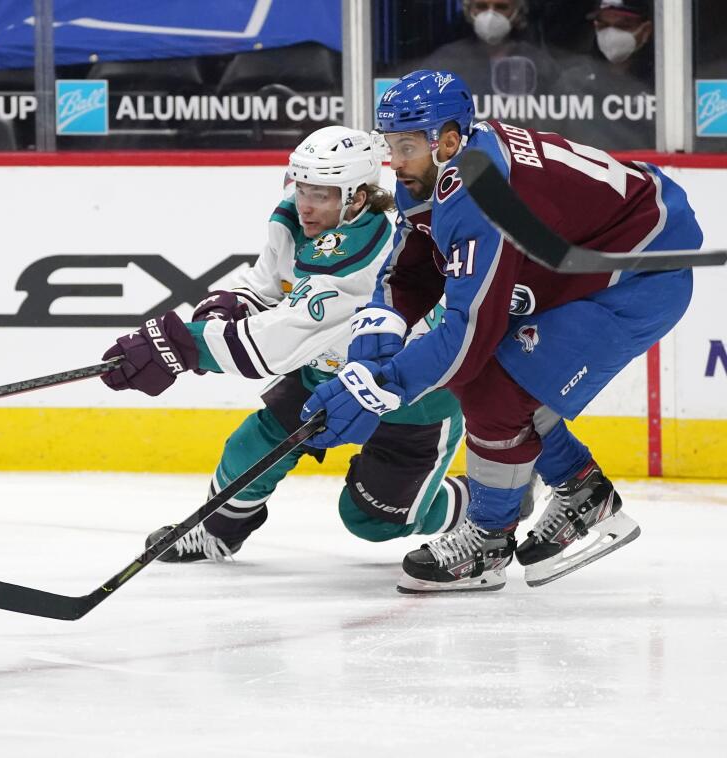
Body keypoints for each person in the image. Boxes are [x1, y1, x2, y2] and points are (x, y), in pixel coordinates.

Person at [299, 69, 701, 593]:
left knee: (489, 386)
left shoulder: (479, 190)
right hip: (585, 262)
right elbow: (411, 268)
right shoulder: (439, 164)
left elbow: (466, 338)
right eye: (389, 144)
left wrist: (375, 389)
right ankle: (582, 492)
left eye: (404, 146)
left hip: (641, 276)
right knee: (487, 381)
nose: (393, 162)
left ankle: (487, 541)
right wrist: (368, 355)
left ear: (446, 140)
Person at [98, 125, 476, 564]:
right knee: (253, 443)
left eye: (322, 195)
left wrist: (180, 345)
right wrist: (225, 310)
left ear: (356, 197)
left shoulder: (368, 257)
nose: (306, 205)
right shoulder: (299, 221)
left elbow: (280, 341)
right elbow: (267, 286)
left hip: (410, 395)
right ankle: (216, 529)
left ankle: (481, 501)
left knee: (372, 519)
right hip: (330, 371)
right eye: (302, 189)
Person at [555, 0, 655, 150]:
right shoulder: (574, 82)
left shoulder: (663, 81)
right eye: (603, 25)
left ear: (646, 30)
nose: (611, 34)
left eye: (623, 26)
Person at [416, 0, 558, 97]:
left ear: (517, 12)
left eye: (501, 7)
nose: (490, 15)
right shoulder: (444, 62)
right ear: (469, 10)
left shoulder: (540, 63)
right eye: (482, 6)